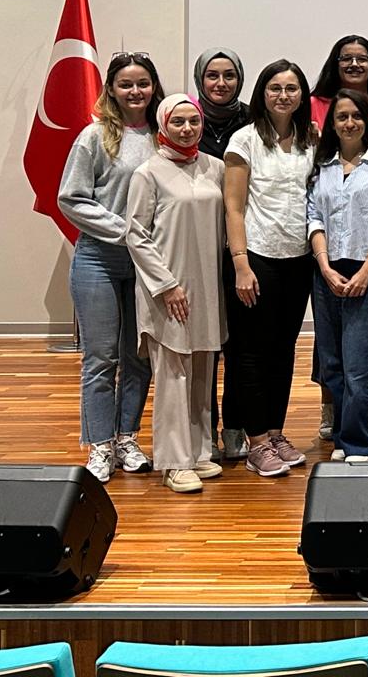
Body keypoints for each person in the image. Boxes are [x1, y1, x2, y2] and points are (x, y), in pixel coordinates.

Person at [58, 52, 162, 483]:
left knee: (138, 356)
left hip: (146, 265)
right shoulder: (94, 136)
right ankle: (100, 445)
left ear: (154, 87)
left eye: (143, 83)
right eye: (126, 84)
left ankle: (127, 437)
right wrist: (125, 232)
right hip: (99, 258)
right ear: (112, 90)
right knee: (101, 356)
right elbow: (71, 197)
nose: (135, 91)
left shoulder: (165, 134)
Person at [126, 94, 227, 493]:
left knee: (202, 368)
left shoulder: (214, 168)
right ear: (164, 125)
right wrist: (166, 285)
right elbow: (136, 233)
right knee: (172, 373)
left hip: (206, 285)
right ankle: (172, 461)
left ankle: (199, 451)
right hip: (167, 288)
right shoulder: (148, 173)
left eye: (193, 121)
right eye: (178, 122)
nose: (187, 129)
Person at [224, 60, 317, 478]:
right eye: (275, 87)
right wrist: (241, 263)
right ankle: (256, 439)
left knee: (283, 349)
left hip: (297, 259)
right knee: (250, 353)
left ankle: (276, 431)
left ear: (302, 94)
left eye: (292, 88)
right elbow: (234, 206)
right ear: (262, 92)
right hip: (256, 257)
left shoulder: (311, 139)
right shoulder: (244, 140)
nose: (284, 95)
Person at [306, 90, 368, 462]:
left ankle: (361, 444)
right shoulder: (322, 167)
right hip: (328, 271)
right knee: (332, 363)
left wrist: (366, 270)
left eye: (356, 117)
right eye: (342, 117)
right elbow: (314, 216)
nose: (349, 123)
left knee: (360, 364)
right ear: (332, 123)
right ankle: (344, 440)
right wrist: (325, 266)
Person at [192, 48, 251, 462]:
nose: (221, 83)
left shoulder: (252, 121)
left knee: (241, 345)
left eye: (229, 75)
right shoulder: (185, 119)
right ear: (200, 79)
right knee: (204, 347)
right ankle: (204, 429)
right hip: (195, 250)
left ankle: (235, 426)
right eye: (212, 75)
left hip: (242, 249)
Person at [310, 35, 368, 140]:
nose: (354, 64)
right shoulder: (314, 105)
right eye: (347, 58)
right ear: (335, 65)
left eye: (362, 59)